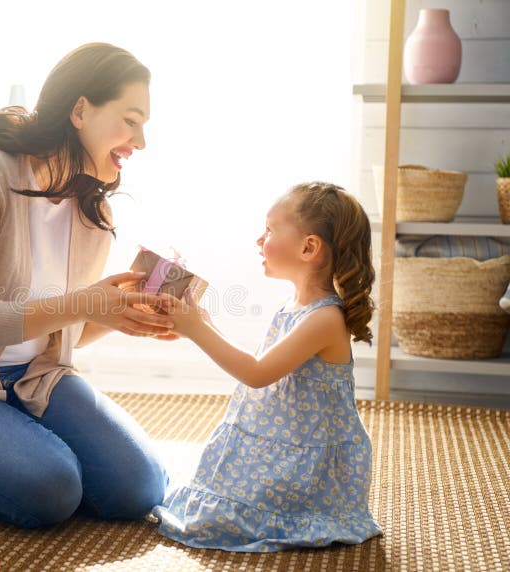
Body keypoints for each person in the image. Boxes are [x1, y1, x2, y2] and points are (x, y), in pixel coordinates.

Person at [0, 43, 173, 529]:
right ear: (81, 110)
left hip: (38, 378)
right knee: (53, 490)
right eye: (131, 120)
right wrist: (86, 301)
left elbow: (62, 333)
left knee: (139, 488)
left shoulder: (93, 210)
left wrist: (118, 316)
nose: (140, 141)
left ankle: (19, 445)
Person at [153, 182, 383, 552]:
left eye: (270, 230)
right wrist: (198, 318)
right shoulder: (292, 306)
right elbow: (263, 365)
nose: (260, 240)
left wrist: (195, 329)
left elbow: (257, 373)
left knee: (218, 518)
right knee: (206, 499)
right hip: (279, 444)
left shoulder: (325, 318)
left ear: (309, 247)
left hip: (303, 459)